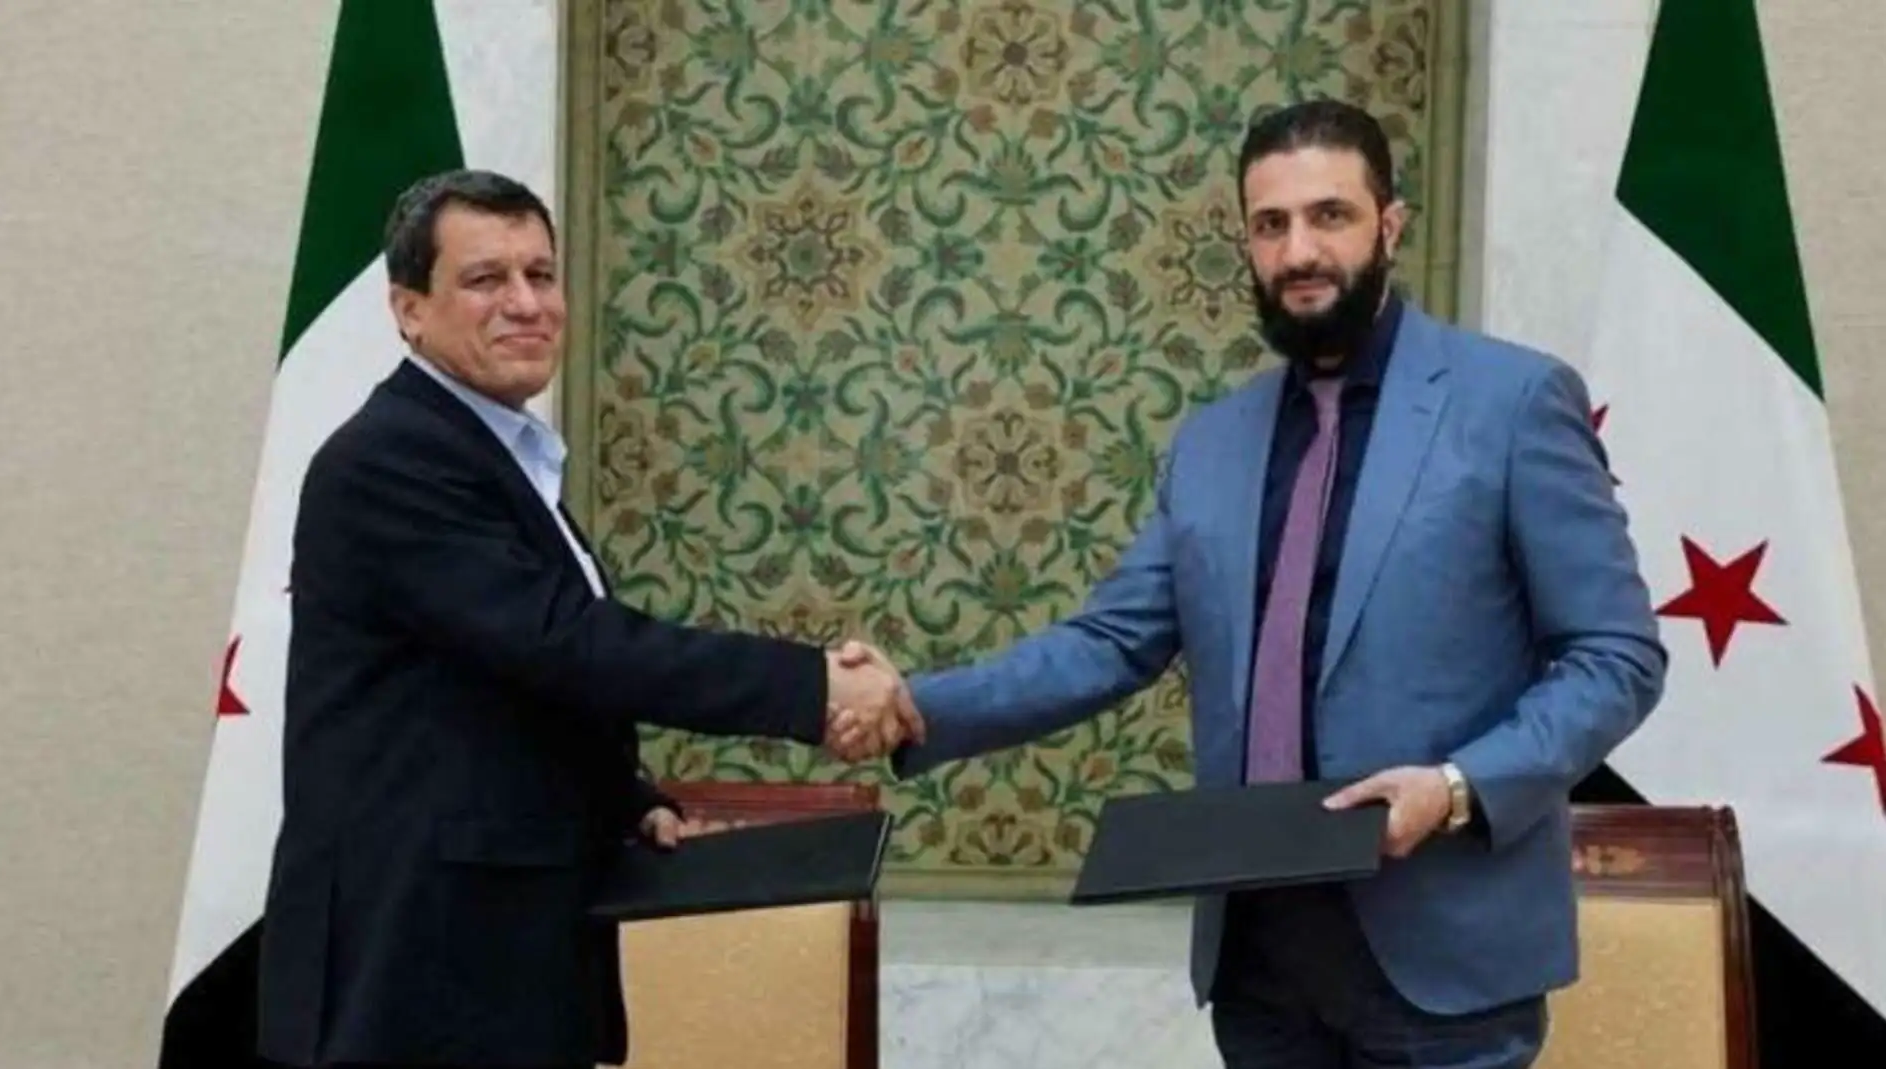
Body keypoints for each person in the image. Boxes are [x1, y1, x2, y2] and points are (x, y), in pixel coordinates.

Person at [834, 100, 1666, 1068]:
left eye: (1330, 216)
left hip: (1442, 961)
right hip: (1261, 962)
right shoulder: (1211, 444)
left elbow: (1617, 656)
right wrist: (911, 704)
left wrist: (1453, 788)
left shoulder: (1514, 402)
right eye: (1271, 225)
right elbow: (1109, 641)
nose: (1299, 250)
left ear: (1389, 226)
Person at [257, 169, 918, 1069]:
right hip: (419, 962)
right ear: (409, 309)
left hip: (504, 946)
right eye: (487, 279)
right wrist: (813, 685)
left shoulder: (497, 451)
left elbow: (507, 691)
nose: (526, 303)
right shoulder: (390, 460)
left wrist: (623, 801)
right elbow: (569, 642)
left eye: (542, 274)